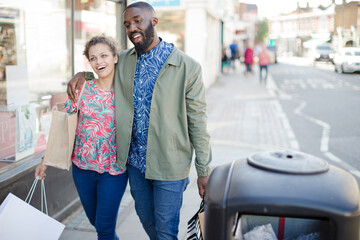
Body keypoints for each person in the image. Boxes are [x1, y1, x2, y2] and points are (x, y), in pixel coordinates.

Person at [66, 2, 212, 240]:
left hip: (170, 165)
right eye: (127, 24)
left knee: (165, 231)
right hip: (135, 164)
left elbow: (198, 121)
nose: (132, 27)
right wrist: (82, 74)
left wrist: (203, 170)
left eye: (137, 20)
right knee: (147, 221)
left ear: (154, 22)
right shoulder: (124, 59)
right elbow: (103, 68)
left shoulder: (187, 67)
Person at [35, 35, 127, 240]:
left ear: (115, 57)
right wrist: (45, 161)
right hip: (82, 170)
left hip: (113, 171)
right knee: (98, 223)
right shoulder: (83, 89)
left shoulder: (127, 92)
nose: (99, 62)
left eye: (104, 55)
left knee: (103, 227)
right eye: (93, 58)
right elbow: (62, 126)